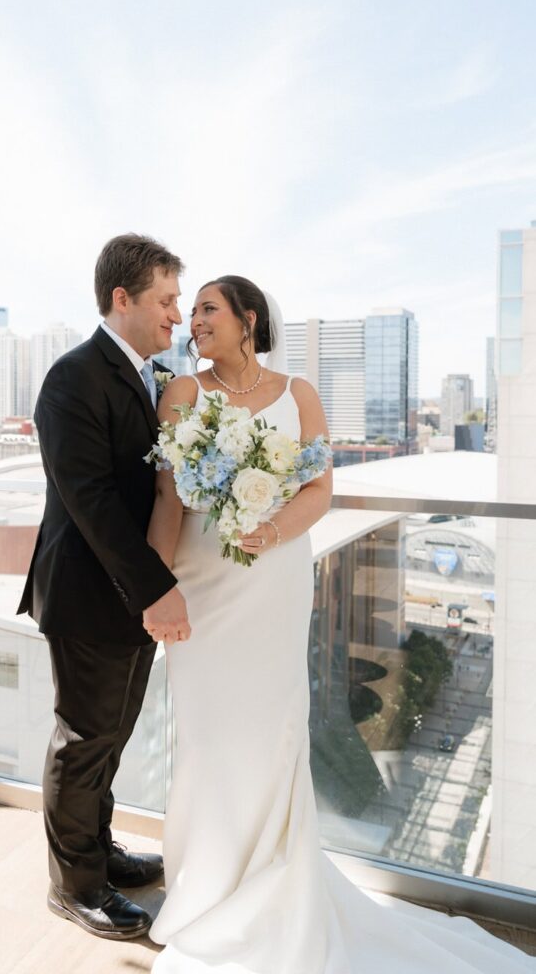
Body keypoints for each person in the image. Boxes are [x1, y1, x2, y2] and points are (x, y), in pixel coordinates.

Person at [145, 276, 534, 972]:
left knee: (272, 730)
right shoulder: (182, 393)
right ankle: (204, 890)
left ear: (248, 319)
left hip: (274, 585)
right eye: (193, 310)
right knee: (203, 738)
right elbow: (169, 496)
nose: (194, 321)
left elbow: (318, 488)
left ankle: (272, 889)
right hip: (203, 585)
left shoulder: (300, 395)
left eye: (208, 309)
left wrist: (267, 531)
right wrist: (153, 586)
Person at [17, 233, 191, 941]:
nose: (176, 316)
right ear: (123, 299)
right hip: (93, 596)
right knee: (84, 739)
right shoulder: (72, 377)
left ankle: (100, 850)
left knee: (111, 739)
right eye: (166, 300)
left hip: (126, 595)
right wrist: (156, 589)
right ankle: (75, 885)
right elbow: (90, 500)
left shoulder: (147, 376)